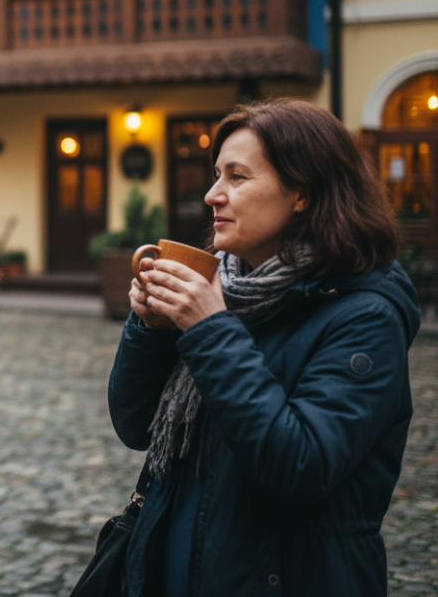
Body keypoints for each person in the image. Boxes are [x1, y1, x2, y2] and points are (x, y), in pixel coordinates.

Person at [111, 98, 419, 596]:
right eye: (216, 175)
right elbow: (135, 426)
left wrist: (210, 329)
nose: (213, 194)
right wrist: (152, 329)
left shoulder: (366, 316)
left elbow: (299, 467)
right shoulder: (231, 290)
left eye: (237, 177)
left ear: (302, 193)